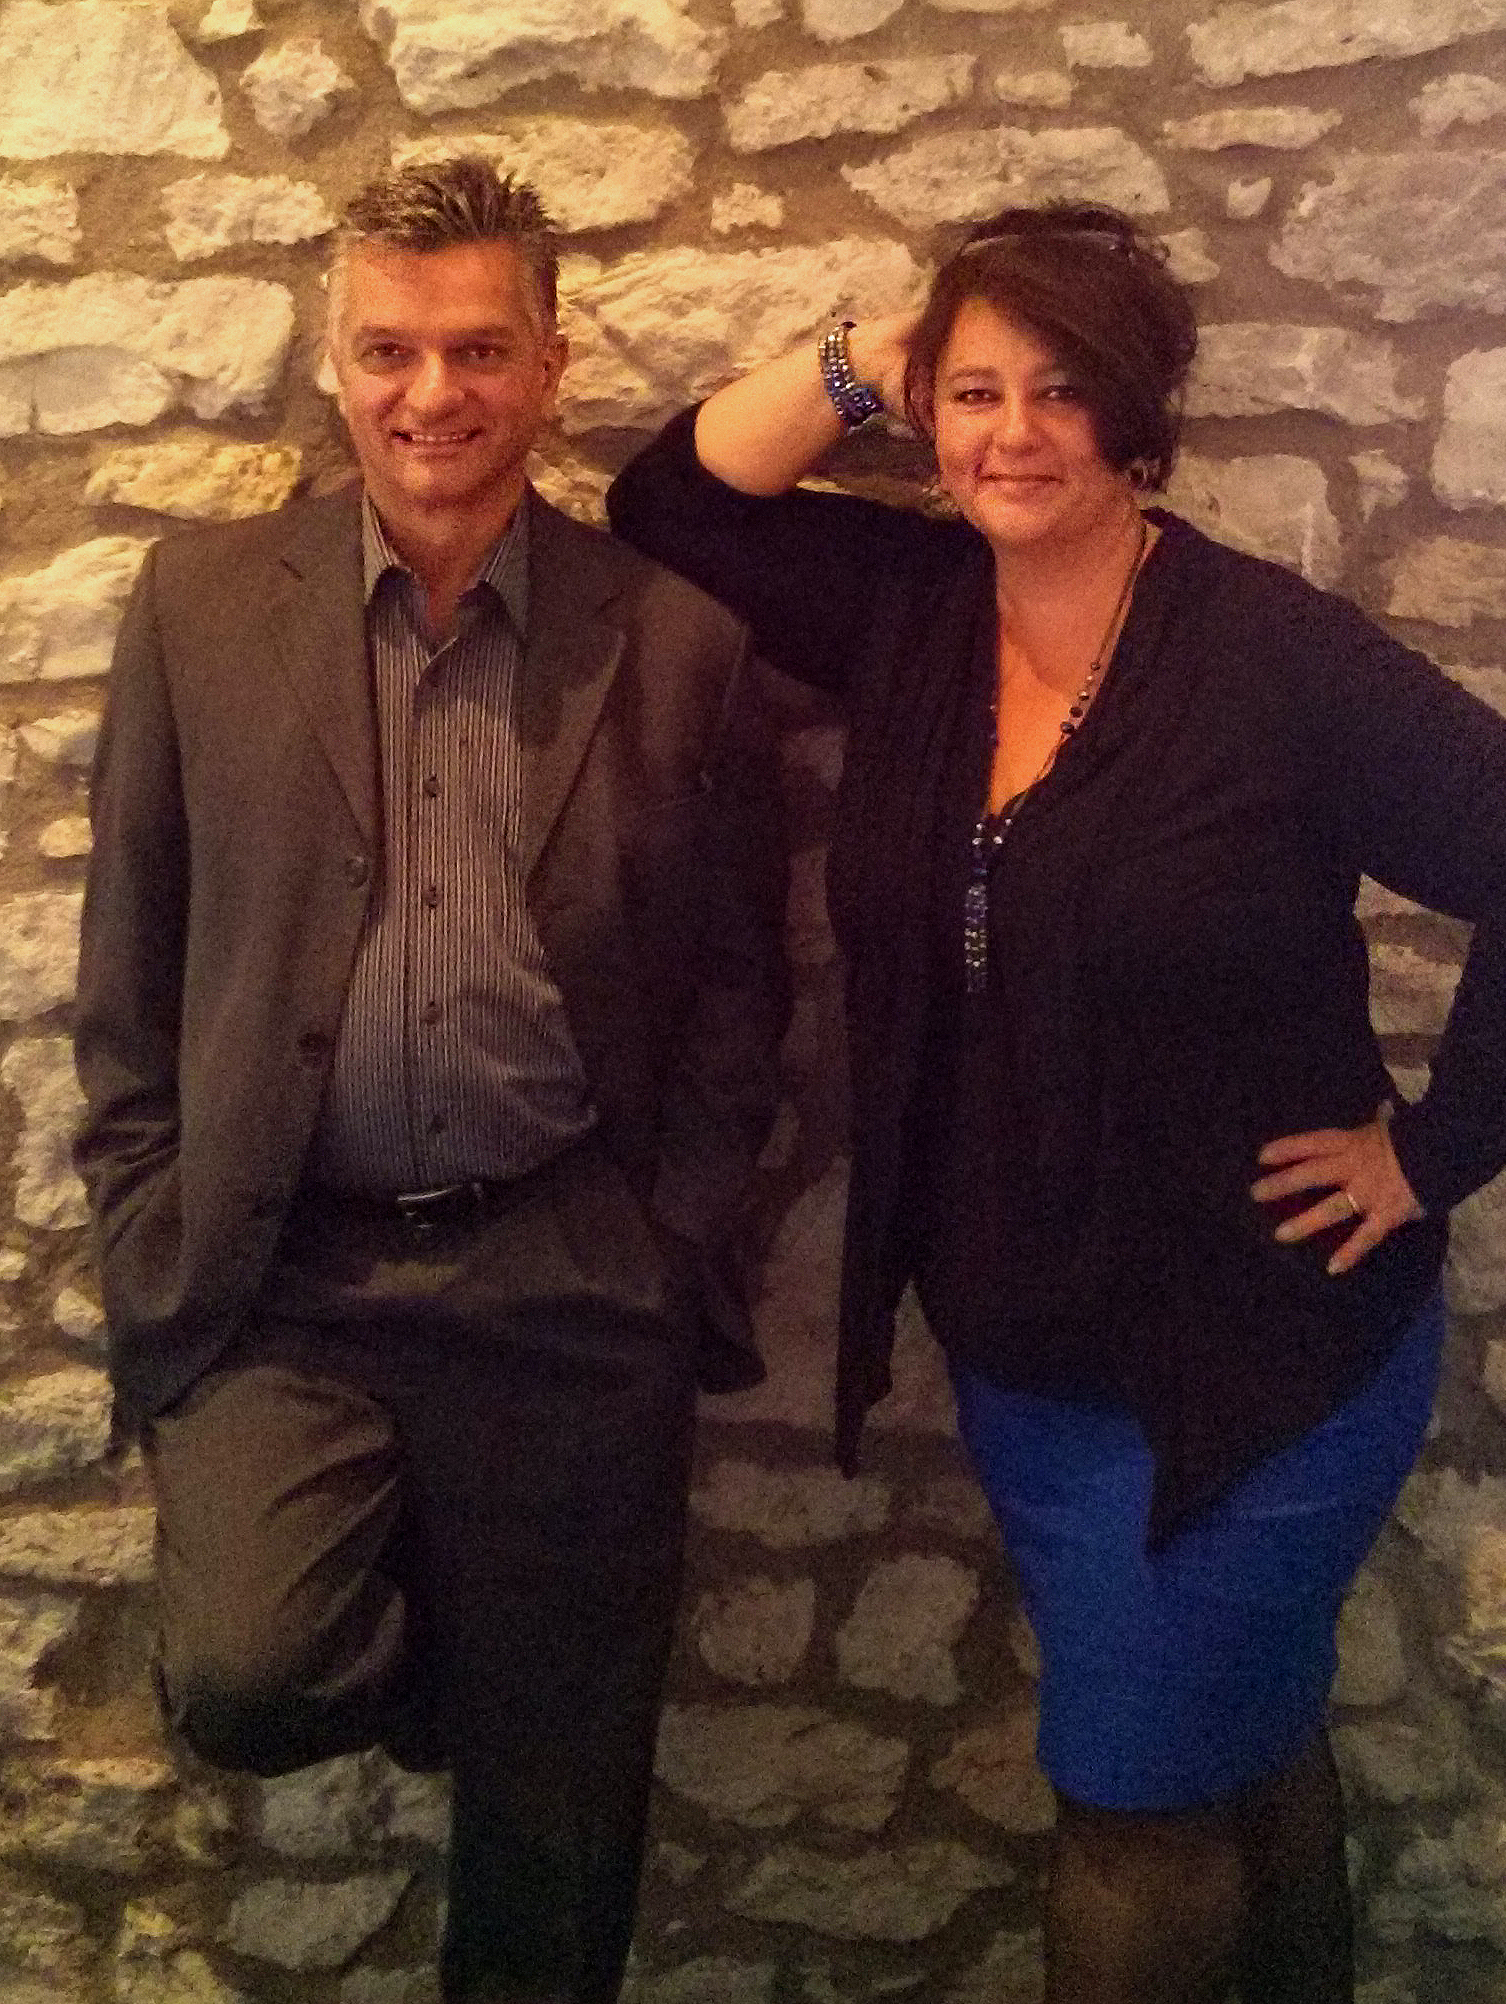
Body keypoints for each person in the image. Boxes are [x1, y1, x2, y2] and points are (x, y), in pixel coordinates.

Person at [605, 203, 1506, 2002]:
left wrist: (1435, 1150)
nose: (1012, 433)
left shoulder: (1267, 659)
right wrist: (872, 353)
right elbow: (670, 504)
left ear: (1139, 424)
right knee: (1241, 1749)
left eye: (1061, 391)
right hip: (1038, 1362)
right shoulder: (916, 611)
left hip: (1266, 1353)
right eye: (975, 392)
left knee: (1132, 1818)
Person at [73, 155, 787, 2004]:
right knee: (248, 1675)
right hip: (287, 1277)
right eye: (388, 349)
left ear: (549, 364)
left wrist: (669, 1249)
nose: (431, 393)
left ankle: (523, 1708)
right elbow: (130, 975)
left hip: (567, 1278)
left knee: (559, 1827)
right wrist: (154, 1240)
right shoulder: (201, 608)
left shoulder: (674, 638)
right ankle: (464, 1660)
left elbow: (736, 993)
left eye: (478, 348)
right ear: (335, 361)